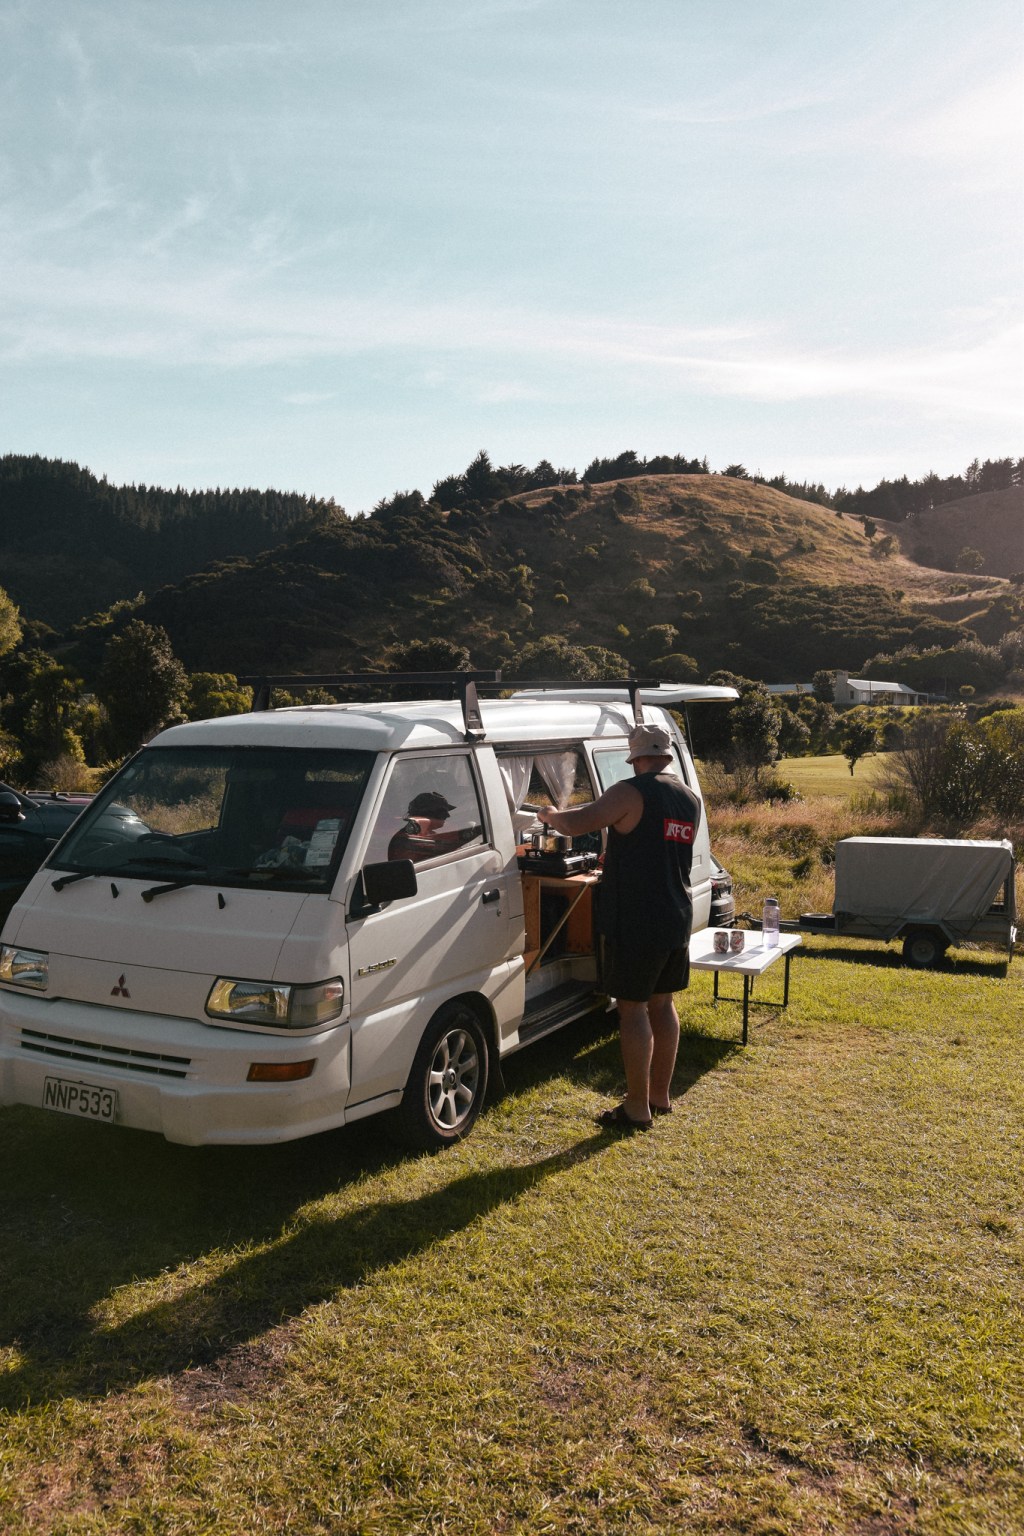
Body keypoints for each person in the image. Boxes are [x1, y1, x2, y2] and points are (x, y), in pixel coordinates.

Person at [541, 722, 701, 1132]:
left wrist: (550, 815)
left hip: (638, 916)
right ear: (665, 755)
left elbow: (579, 824)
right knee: (663, 1004)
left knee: (632, 1008)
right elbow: (658, 848)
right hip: (675, 912)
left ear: (635, 757)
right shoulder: (688, 798)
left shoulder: (629, 792)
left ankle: (635, 1107)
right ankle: (659, 1096)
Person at [387, 790, 481, 863]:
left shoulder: (425, 834)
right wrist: (470, 833)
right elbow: (440, 846)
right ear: (430, 812)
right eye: (443, 812)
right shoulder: (407, 838)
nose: (448, 816)